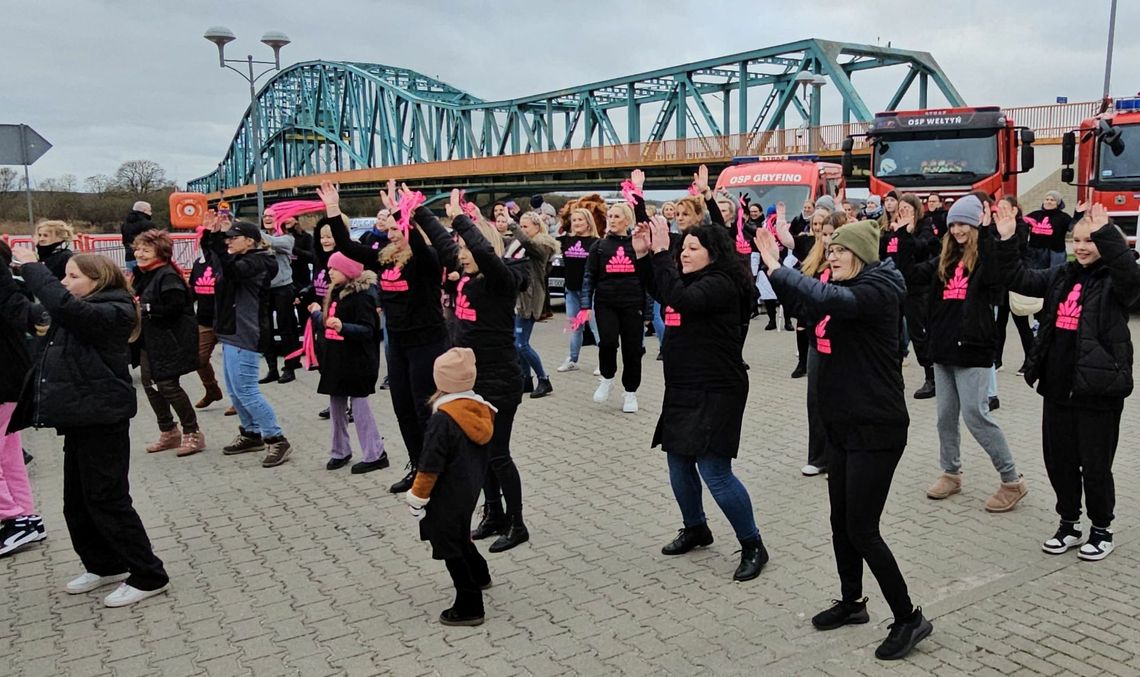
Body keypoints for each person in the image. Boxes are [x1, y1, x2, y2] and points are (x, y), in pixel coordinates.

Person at [760, 220, 932, 661]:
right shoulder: (841, 291)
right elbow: (806, 307)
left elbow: (827, 299)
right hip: (842, 426)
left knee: (863, 528)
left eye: (840, 251)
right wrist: (777, 275)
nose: (831, 256)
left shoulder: (877, 290)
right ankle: (853, 601)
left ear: (861, 254)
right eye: (829, 250)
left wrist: (779, 268)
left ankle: (909, 618)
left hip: (877, 428)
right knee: (841, 521)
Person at [9, 250, 170, 607]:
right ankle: (104, 564)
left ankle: (149, 575)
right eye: (63, 276)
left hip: (104, 419)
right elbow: (25, 309)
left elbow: (64, 306)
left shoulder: (113, 310)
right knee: (77, 503)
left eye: (73, 276)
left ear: (98, 281)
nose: (64, 283)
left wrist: (32, 267)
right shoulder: (78, 310)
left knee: (108, 500)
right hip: (79, 418)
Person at [995, 202, 1139, 560]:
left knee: (1095, 466)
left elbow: (1132, 281)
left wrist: (1107, 235)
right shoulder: (1062, 274)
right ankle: (1069, 524)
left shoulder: (1114, 279)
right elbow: (1018, 278)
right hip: (1058, 387)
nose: (1083, 247)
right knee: (1059, 462)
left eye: (1091, 240)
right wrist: (1008, 240)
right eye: (1077, 240)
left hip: (1098, 390)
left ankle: (1101, 529)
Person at [639, 218, 768, 582]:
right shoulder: (690, 280)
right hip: (683, 386)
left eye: (693, 248)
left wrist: (661, 253)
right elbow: (661, 289)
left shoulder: (721, 283)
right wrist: (645, 256)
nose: (684, 254)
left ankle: (753, 544)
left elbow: (680, 299)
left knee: (714, 471)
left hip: (717, 388)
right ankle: (696, 527)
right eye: (682, 248)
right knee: (678, 462)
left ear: (714, 253)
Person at [417, 189, 530, 553]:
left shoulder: (500, 281)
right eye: (460, 250)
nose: (461, 256)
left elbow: (484, 253)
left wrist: (462, 219)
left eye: (467, 249)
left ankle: (517, 523)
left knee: (498, 453)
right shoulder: (467, 271)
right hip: (472, 382)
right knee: (478, 455)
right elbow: (442, 243)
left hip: (500, 381)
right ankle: (493, 512)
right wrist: (416, 211)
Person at [318, 181, 449, 494]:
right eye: (388, 229)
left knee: (423, 409)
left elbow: (417, 242)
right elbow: (347, 248)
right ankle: (417, 466)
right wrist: (333, 209)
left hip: (427, 343)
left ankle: (435, 471)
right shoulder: (383, 258)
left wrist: (402, 212)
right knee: (403, 409)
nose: (390, 234)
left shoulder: (426, 259)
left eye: (395, 229)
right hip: (398, 344)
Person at [904, 195, 1026, 512]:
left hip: (973, 349)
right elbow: (911, 275)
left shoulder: (985, 258)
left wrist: (986, 233)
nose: (958, 230)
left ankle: (1012, 480)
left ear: (975, 226)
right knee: (945, 418)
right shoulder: (945, 259)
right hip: (943, 348)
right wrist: (902, 238)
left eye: (964, 224)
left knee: (976, 416)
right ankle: (951, 473)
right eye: (954, 224)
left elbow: (998, 276)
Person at [405, 347, 496, 626]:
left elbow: (429, 465)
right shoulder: (481, 410)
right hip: (468, 489)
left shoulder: (442, 420)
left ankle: (469, 604)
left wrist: (417, 497)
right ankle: (480, 573)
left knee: (449, 545)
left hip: (445, 494)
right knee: (459, 535)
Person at [200, 215, 293, 468]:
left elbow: (232, 271)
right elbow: (216, 260)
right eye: (227, 238)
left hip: (246, 332)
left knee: (247, 391)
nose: (229, 242)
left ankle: (276, 438)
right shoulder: (237, 258)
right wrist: (210, 236)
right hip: (230, 331)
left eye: (234, 238)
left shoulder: (259, 262)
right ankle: (251, 433)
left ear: (250, 241)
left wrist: (218, 240)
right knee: (234, 390)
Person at [309, 252, 389, 474]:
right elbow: (327, 323)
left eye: (335, 268)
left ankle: (375, 453)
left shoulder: (363, 296)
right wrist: (317, 315)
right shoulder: (334, 292)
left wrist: (343, 327)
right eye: (329, 268)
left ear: (349, 271)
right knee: (336, 408)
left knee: (360, 408)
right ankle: (340, 450)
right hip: (335, 360)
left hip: (357, 361)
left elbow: (368, 330)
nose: (330, 272)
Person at [131, 229, 205, 457]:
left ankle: (192, 432)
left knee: (167, 385)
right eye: (138, 249)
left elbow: (176, 307)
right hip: (149, 340)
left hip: (171, 341)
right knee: (149, 385)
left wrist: (146, 308)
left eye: (146, 250)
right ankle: (168, 430)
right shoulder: (143, 274)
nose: (139, 254)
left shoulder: (168, 276)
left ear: (160, 253)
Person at [580, 201, 649, 414]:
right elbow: (589, 276)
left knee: (633, 350)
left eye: (617, 216)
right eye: (610, 216)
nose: (612, 220)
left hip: (633, 303)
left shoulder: (636, 244)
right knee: (608, 342)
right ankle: (607, 378)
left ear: (627, 220)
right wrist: (585, 304)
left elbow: (647, 279)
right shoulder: (599, 246)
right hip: (606, 303)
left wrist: (647, 311)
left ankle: (630, 392)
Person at [0, 242, 45, 557]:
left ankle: (13, 516)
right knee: (8, 454)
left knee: (8, 453)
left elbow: (14, 307)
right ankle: (24, 517)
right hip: (11, 372)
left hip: (5, 374)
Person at [792, 214, 838, 476]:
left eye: (833, 233)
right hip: (816, 340)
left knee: (839, 399)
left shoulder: (850, 266)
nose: (827, 239)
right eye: (824, 233)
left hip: (841, 342)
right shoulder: (813, 263)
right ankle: (819, 457)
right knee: (815, 398)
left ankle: (838, 457)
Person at [507, 212, 560, 398]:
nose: (522, 229)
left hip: (529, 300)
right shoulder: (518, 245)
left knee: (522, 344)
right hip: (517, 298)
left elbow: (528, 245)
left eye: (525, 226)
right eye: (520, 226)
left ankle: (544, 379)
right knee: (517, 343)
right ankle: (526, 379)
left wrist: (513, 226)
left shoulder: (542, 245)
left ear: (537, 227)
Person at [557, 208, 601, 372]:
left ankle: (604, 361)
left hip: (591, 292)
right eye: (574, 220)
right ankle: (572, 359)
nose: (576, 223)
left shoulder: (596, 242)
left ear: (588, 222)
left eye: (580, 219)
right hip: (571, 290)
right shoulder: (565, 241)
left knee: (596, 327)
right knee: (575, 326)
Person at [259, 211, 300, 384]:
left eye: (272, 215)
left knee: (286, 329)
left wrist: (254, 234)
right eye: (265, 216)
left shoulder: (287, 238)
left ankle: (289, 368)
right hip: (264, 288)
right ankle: (272, 369)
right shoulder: (260, 236)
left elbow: (273, 242)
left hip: (283, 287)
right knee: (265, 330)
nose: (268, 218)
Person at [188, 229, 225, 410]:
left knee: (233, 366)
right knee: (199, 359)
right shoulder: (198, 264)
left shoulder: (225, 263)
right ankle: (212, 390)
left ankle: (240, 400)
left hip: (227, 320)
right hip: (205, 320)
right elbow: (192, 290)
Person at [1025, 191, 1073, 269]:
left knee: (1056, 273)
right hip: (1036, 251)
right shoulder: (1035, 214)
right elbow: (1021, 224)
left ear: (1058, 203)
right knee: (1036, 274)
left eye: (1052, 200)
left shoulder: (1064, 217)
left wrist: (1078, 214)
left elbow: (1073, 227)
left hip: (1056, 252)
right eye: (1047, 199)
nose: (1048, 202)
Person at [120, 201, 154, 274]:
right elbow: (153, 241)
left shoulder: (125, 224)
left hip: (129, 256)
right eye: (149, 210)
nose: (151, 213)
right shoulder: (148, 224)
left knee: (132, 277)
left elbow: (125, 240)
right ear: (144, 211)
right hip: (144, 257)